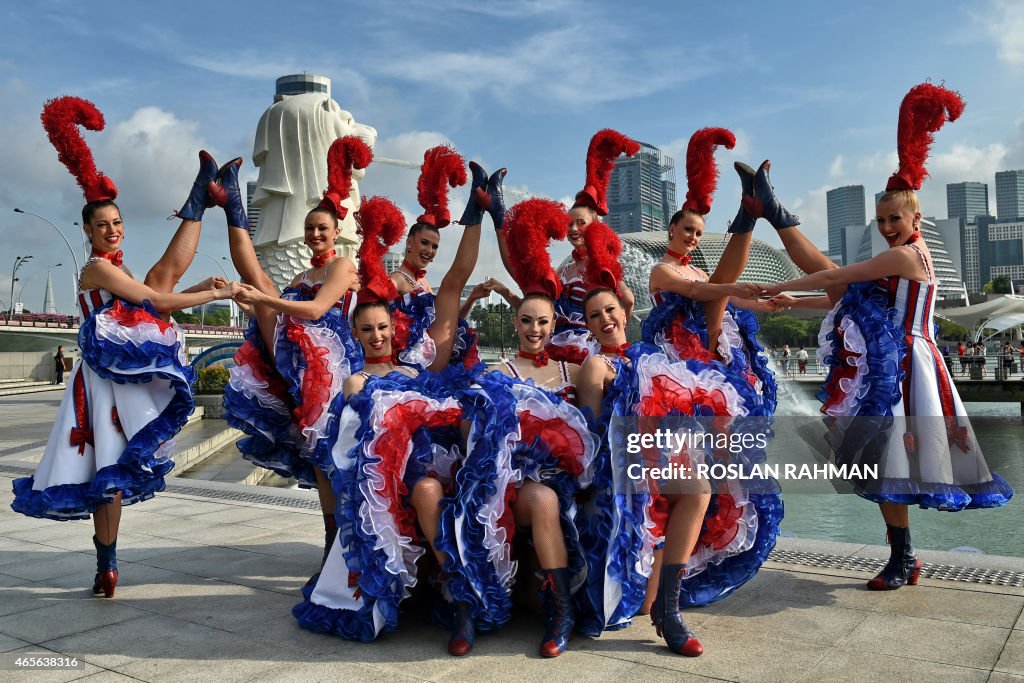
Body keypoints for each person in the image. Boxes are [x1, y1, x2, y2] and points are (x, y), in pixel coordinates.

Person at [757, 83, 1013, 591]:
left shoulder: (906, 256)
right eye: (881, 220)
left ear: (916, 218)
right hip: (890, 363)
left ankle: (903, 558)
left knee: (889, 459)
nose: (888, 226)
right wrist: (792, 302)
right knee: (882, 461)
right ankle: (904, 557)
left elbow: (834, 277)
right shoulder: (897, 258)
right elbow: (838, 296)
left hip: (905, 368)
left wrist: (780, 285)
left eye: (895, 218)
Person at [11, 95, 240, 598]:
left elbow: (156, 295)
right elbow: (155, 297)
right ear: (88, 231)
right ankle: (107, 563)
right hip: (101, 378)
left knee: (111, 472)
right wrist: (213, 293)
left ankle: (107, 566)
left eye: (117, 223)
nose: (113, 229)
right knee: (102, 466)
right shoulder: (97, 268)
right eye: (103, 225)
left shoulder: (118, 267)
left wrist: (199, 284)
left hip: (120, 373)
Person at [575, 221, 780, 657]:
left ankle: (665, 609)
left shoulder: (650, 357)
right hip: (621, 466)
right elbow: (593, 432)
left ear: (626, 314)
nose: (606, 320)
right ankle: (665, 611)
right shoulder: (595, 366)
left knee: (706, 486)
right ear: (588, 325)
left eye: (611, 311)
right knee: (695, 488)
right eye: (595, 316)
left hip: (655, 461)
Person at [292, 189, 482, 643]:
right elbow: (347, 452)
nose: (377, 336)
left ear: (394, 330)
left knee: (437, 486)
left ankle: (461, 598)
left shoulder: (415, 368)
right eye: (368, 330)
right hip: (378, 481)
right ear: (355, 334)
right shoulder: (356, 380)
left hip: (417, 470)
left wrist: (475, 215)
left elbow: (456, 281)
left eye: (383, 328)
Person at [439, 199, 596, 657]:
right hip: (506, 481)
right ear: (516, 323)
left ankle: (560, 610)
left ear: (553, 326)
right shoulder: (501, 370)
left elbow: (592, 432)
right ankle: (480, 609)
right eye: (526, 321)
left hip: (559, 482)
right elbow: (474, 428)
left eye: (542, 322)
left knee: (552, 496)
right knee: (496, 498)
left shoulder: (572, 372)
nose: (534, 329)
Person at [220, 137, 364, 570]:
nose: (315, 235)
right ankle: (330, 540)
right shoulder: (302, 273)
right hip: (298, 358)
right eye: (310, 229)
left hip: (331, 362)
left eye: (322, 229)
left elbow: (319, 309)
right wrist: (251, 302)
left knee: (336, 458)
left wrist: (267, 302)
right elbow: (284, 309)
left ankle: (348, 541)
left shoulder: (343, 266)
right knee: (321, 463)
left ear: (336, 233)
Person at [387, 145, 490, 371]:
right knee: (452, 284)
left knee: (452, 288)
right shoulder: (395, 280)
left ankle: (477, 210)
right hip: (412, 361)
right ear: (409, 242)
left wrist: (472, 299)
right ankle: (476, 210)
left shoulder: (422, 283)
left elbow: (448, 317)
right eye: (425, 243)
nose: (430, 251)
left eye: (434, 246)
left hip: (436, 352)